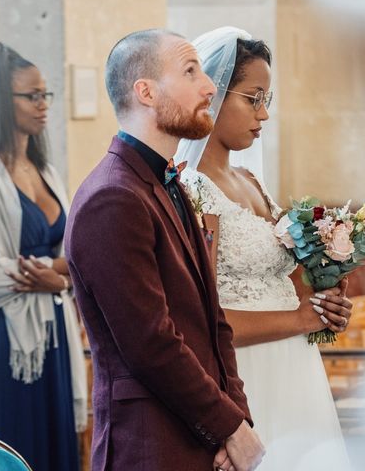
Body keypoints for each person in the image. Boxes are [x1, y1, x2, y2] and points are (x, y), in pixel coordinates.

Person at [64, 29, 265, 471]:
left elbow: (215, 324)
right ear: (146, 92)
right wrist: (228, 428)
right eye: (190, 71)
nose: (209, 86)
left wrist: (238, 422)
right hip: (151, 446)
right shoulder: (111, 198)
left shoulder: (164, 183)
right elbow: (150, 344)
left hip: (200, 440)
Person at [178, 27, 352, 470]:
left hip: (295, 364)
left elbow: (287, 281)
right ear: (214, 96)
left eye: (267, 101)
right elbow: (201, 320)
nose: (263, 114)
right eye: (253, 98)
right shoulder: (194, 189)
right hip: (247, 374)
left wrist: (328, 297)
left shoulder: (252, 182)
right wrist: (300, 317)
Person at [0, 39, 87, 471]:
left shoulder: (46, 171)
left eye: (46, 94)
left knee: (54, 447)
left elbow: (76, 254)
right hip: (4, 338)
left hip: (52, 328)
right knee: (10, 445)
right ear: (2, 101)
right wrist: (62, 272)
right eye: (32, 96)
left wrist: (58, 277)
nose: (44, 105)